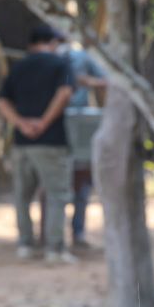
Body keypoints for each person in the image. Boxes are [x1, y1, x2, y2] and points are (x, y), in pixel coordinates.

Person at [0, 24, 75, 263]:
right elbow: (65, 93)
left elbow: (2, 102)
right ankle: (55, 249)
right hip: (51, 142)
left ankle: (25, 245)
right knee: (56, 195)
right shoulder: (61, 65)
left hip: (22, 143)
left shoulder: (18, 67)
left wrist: (20, 124)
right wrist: (43, 122)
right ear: (52, 42)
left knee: (22, 196)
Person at [62, 40, 106, 248]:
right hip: (55, 129)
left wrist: (86, 81)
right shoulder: (50, 56)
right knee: (55, 189)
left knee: (82, 183)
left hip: (80, 127)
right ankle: (53, 237)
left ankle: (76, 232)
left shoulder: (83, 56)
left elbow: (105, 81)